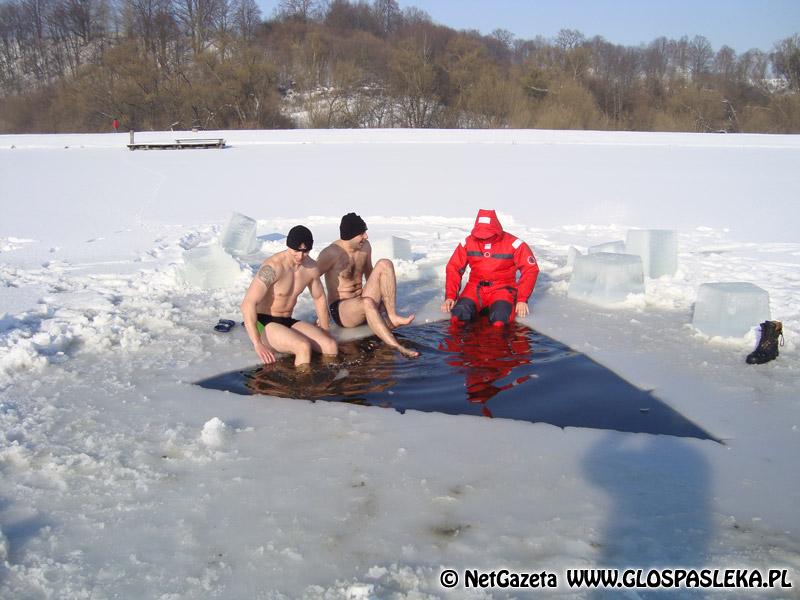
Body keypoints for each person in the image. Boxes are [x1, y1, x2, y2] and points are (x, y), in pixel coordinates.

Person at [316, 212, 419, 358]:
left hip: (362, 298)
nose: (366, 236)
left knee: (385, 264)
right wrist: (321, 313)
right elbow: (311, 278)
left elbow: (370, 274)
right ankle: (396, 346)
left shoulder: (365, 247)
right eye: (362, 233)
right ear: (350, 235)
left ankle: (392, 316)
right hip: (342, 310)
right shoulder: (331, 253)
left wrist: (383, 300)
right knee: (367, 303)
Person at [241, 225, 337, 368]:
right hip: (264, 322)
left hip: (287, 320)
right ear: (289, 246)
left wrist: (325, 330)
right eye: (296, 251)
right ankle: (303, 387)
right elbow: (248, 303)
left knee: (330, 345)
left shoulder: (311, 267)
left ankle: (329, 384)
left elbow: (319, 298)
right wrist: (257, 343)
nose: (300, 256)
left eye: (305, 251)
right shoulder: (273, 267)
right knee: (302, 346)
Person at [441, 209, 539, 326]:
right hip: (475, 287)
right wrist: (450, 296)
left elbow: (530, 270)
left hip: (502, 289)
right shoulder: (467, 242)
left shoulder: (515, 244)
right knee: (457, 317)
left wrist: (522, 299)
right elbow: (454, 267)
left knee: (499, 321)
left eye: (488, 235)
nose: (484, 238)